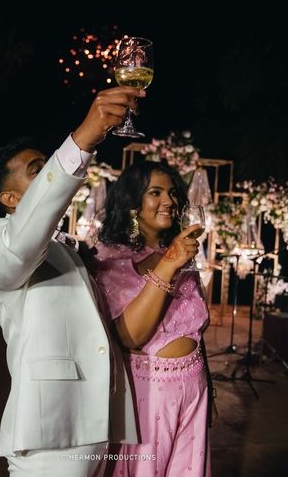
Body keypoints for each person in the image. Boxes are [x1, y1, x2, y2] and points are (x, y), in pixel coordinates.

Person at [0, 86, 144, 476]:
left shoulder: (65, 248)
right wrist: (82, 140)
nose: (50, 173)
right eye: (38, 171)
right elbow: (15, 254)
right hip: (51, 432)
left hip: (95, 426)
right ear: (11, 199)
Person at [91, 160, 215, 477]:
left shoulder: (178, 254)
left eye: (172, 193)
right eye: (155, 192)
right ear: (132, 202)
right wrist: (166, 266)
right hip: (148, 396)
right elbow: (130, 337)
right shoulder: (111, 258)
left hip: (193, 391)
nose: (169, 201)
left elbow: (197, 325)